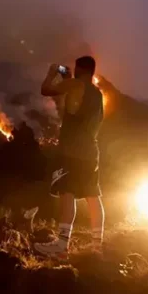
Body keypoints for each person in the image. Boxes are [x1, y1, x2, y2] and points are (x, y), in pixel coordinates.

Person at [33, 56, 105, 258]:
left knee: (67, 192)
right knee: (93, 196)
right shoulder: (97, 93)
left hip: (71, 151)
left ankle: (62, 246)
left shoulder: (74, 84)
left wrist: (52, 72)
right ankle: (97, 245)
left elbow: (46, 89)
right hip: (91, 151)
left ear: (79, 69)